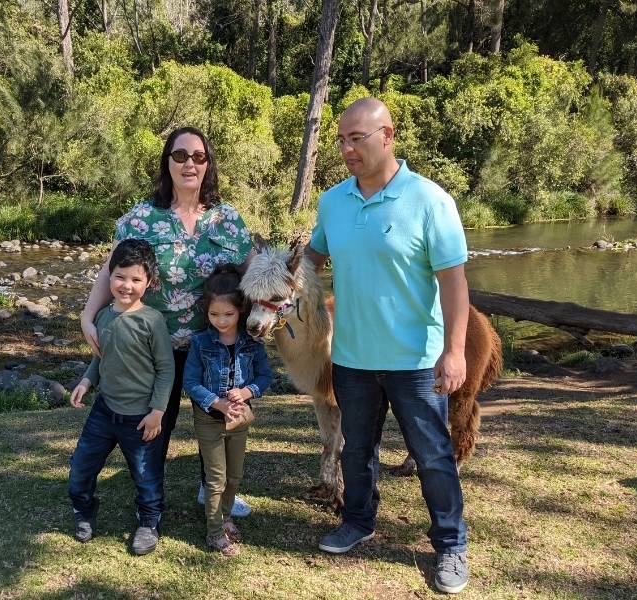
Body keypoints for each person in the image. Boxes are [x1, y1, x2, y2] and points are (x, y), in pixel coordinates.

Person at [306, 97, 471, 594]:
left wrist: (455, 349)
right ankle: (357, 521)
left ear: (388, 135)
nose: (346, 148)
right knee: (358, 451)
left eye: (357, 138)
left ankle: (450, 545)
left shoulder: (430, 199)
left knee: (433, 456)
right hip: (352, 358)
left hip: (415, 361)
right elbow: (311, 258)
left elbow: (454, 283)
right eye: (340, 139)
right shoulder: (333, 201)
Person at [79, 127, 254, 518]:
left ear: (208, 164)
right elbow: (113, 270)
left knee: (217, 420)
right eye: (180, 156)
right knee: (158, 422)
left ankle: (211, 488)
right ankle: (150, 499)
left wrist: (276, 305)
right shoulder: (141, 218)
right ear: (167, 162)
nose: (189, 163)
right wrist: (87, 316)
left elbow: (253, 274)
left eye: (198, 156)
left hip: (214, 344)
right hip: (154, 345)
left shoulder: (228, 220)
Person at [68, 239, 175, 555]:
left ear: (149, 283)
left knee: (146, 477)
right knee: (81, 470)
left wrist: (158, 412)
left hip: (141, 418)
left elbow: (166, 370)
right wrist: (87, 381)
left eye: (136, 279)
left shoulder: (152, 321)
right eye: (120, 276)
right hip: (103, 412)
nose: (126, 285)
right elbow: (101, 357)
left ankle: (148, 522)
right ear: (109, 275)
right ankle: (84, 510)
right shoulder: (102, 316)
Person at [183, 264, 273, 555]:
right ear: (205, 311)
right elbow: (191, 382)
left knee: (234, 476)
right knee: (216, 477)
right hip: (209, 418)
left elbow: (265, 377)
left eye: (229, 314)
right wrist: (217, 402)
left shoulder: (252, 343)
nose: (221, 321)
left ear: (242, 312)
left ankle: (225, 516)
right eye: (214, 314)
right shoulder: (200, 342)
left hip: (239, 417)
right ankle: (214, 533)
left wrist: (247, 392)